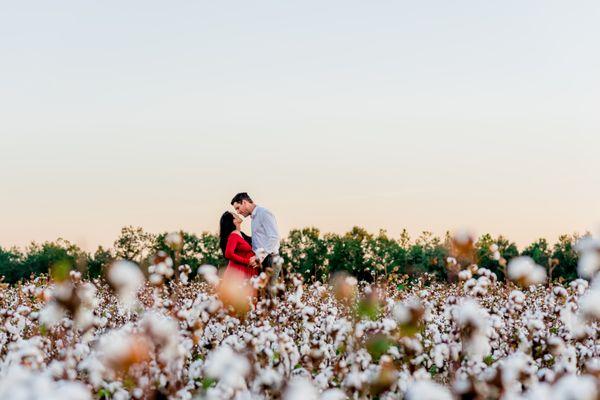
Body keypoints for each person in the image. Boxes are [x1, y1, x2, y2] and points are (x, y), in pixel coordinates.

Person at [230, 192, 281, 285]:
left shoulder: (264, 213)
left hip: (270, 259)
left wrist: (259, 257)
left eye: (238, 208)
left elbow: (274, 237)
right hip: (261, 260)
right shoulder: (253, 218)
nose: (238, 212)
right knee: (260, 295)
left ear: (244, 202)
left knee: (269, 295)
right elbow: (259, 240)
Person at [219, 211, 258, 280]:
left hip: (245, 269)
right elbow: (228, 254)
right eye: (235, 215)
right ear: (233, 221)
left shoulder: (240, 234)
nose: (238, 215)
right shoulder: (234, 235)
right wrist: (247, 261)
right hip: (238, 270)